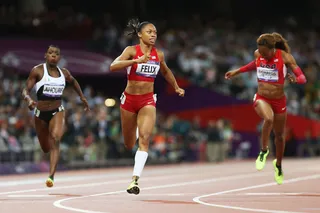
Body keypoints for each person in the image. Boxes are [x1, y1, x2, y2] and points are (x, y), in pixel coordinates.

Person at [110, 18, 185, 195]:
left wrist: (176, 86)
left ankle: (134, 181)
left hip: (147, 100)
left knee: (145, 138)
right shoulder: (130, 51)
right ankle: (134, 130)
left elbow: (165, 71)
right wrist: (135, 61)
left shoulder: (158, 55)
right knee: (129, 144)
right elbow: (113, 66)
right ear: (139, 34)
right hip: (128, 100)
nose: (153, 35)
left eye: (155, 32)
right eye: (149, 32)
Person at [225, 32, 306, 184]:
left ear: (272, 48)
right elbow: (254, 64)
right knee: (268, 118)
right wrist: (236, 71)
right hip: (262, 97)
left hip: (279, 101)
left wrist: (296, 79)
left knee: (280, 137)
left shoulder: (285, 57)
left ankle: (279, 165)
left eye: (264, 52)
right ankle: (263, 151)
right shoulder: (258, 54)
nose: (261, 54)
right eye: (259, 52)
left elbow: (302, 77)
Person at [22, 45, 89, 187]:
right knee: (45, 148)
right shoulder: (38, 71)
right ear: (45, 55)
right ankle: (49, 163)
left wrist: (82, 97)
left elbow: (74, 81)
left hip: (57, 110)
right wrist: (28, 99)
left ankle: (51, 176)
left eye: (56, 54)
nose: (53, 55)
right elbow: (25, 90)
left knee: (56, 139)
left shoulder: (64, 73)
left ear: (59, 57)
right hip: (40, 114)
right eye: (51, 53)